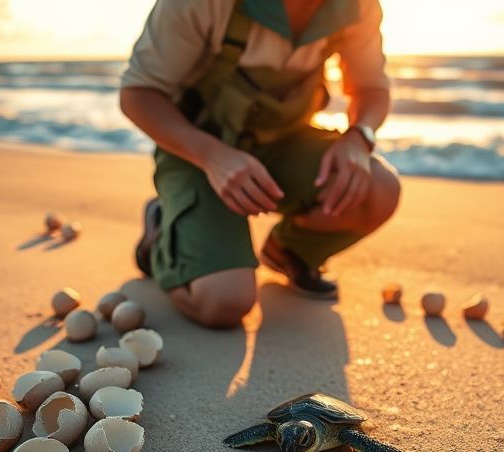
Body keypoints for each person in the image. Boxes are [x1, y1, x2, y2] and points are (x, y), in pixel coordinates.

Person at [121, 0, 400, 329]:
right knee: (223, 302)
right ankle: (162, 231)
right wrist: (212, 156)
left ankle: (289, 253)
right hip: (196, 148)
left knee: (379, 189)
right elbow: (138, 94)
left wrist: (358, 138)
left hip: (286, 142)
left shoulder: (358, 6)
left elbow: (370, 87)